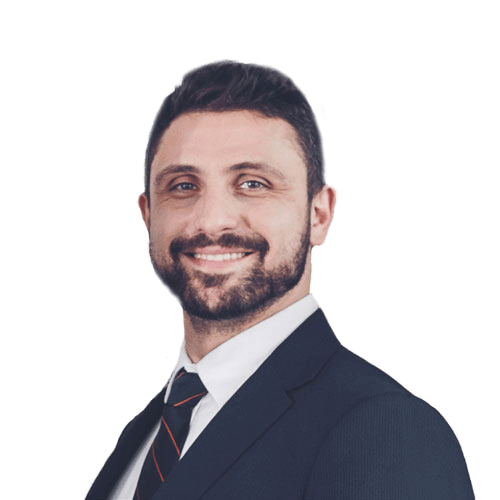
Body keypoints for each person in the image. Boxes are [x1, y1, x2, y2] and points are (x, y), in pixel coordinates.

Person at [84, 60, 475, 500]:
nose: (211, 220)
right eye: (183, 186)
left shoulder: (387, 431)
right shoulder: (145, 434)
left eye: (253, 183)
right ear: (148, 215)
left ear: (319, 214)